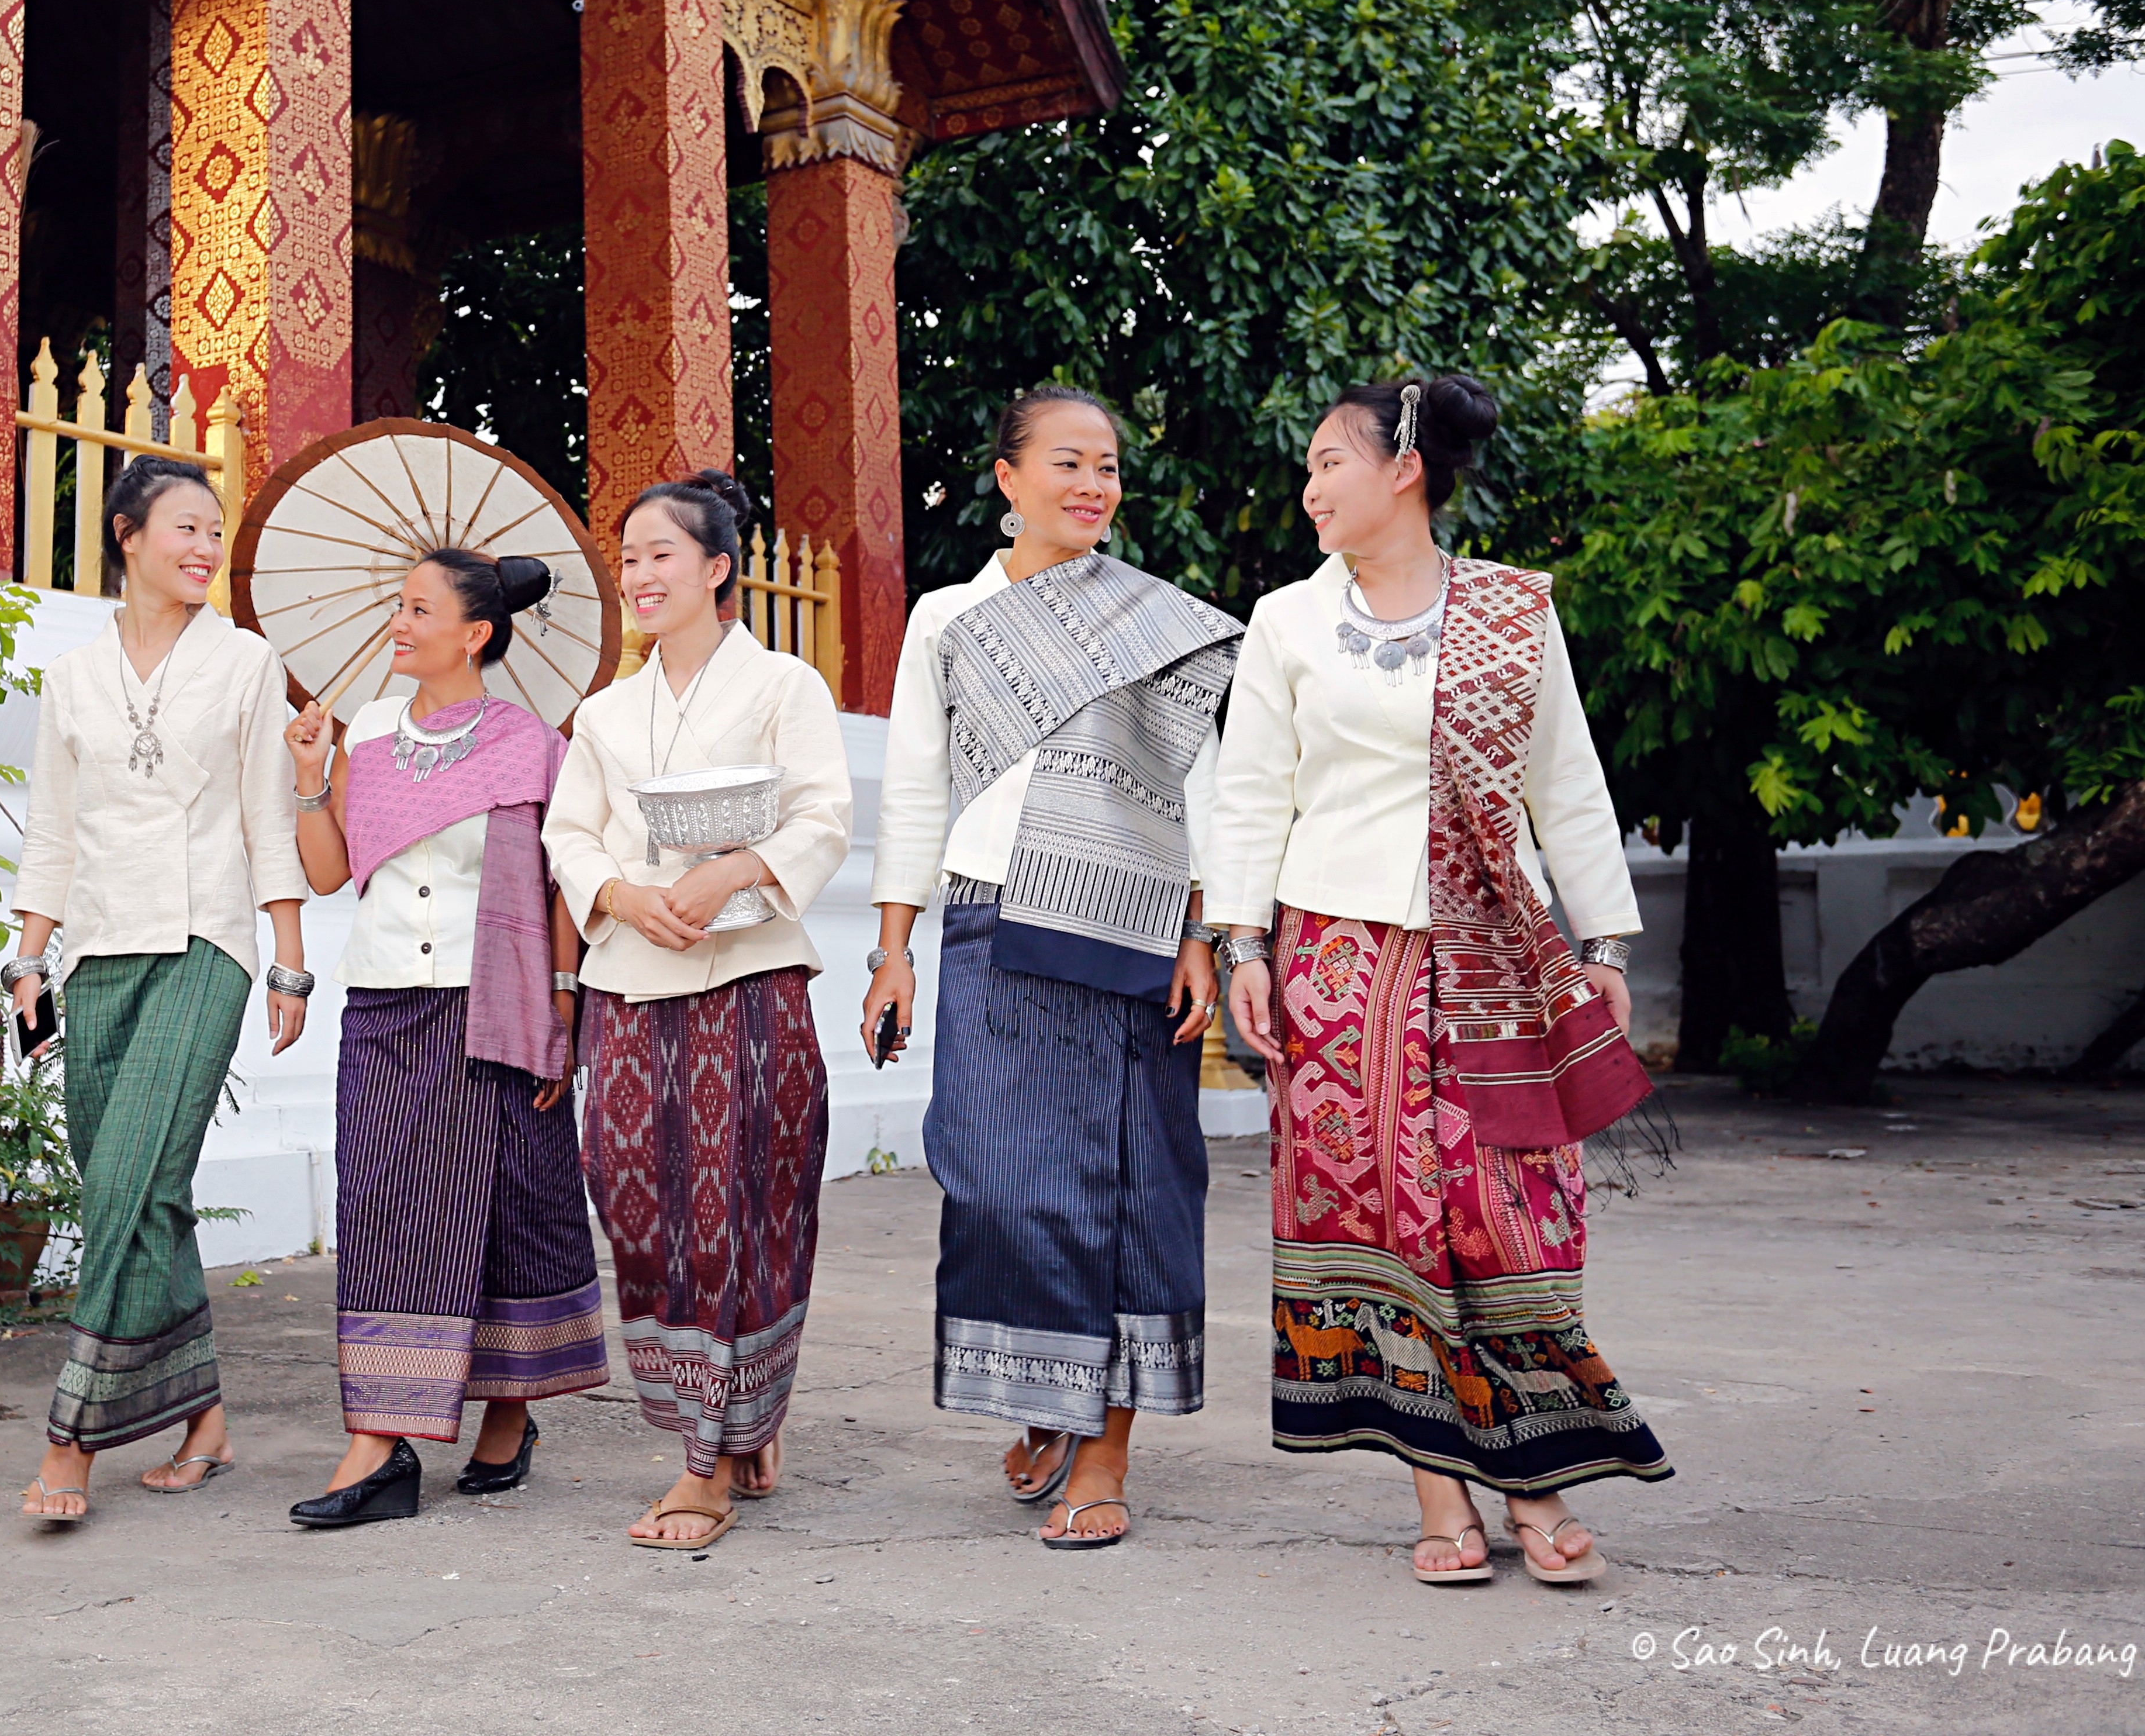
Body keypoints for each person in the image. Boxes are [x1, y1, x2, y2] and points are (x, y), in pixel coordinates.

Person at [1211, 374, 1670, 1588]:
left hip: (1496, 965)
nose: (1308, 488)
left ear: (1401, 469)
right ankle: (1440, 1494)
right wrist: (1241, 943)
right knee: (1380, 1223)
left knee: (1512, 1216)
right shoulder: (1287, 623)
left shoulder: (1517, 611)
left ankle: (1541, 1482)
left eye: (1326, 464)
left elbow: (1566, 784)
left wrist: (1605, 947)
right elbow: (1251, 792)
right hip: (1338, 965)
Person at [865, 387, 1243, 1549]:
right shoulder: (948, 618)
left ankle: (1108, 1443)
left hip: (1129, 932)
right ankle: (1047, 1392)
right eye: (1070, 464)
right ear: (1007, 478)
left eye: (1111, 468)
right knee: (993, 1181)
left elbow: (1206, 791)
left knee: (1128, 1186)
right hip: (986, 923)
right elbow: (915, 787)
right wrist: (891, 951)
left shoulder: (1157, 624)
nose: (1094, 486)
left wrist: (1204, 936)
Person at [543, 470, 854, 1551]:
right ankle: (731, 1415)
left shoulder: (784, 687)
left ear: (719, 568)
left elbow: (824, 815)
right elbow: (567, 833)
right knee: (631, 1200)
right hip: (632, 977)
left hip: (751, 976)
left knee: (740, 1208)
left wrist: (731, 876)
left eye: (661, 554)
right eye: (627, 558)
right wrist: (621, 895)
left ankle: (708, 1461)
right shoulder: (605, 712)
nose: (638, 575)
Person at [5, 455, 314, 1524]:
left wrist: (287, 955)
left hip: (205, 941)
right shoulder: (72, 676)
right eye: (184, 527)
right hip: (93, 953)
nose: (203, 547)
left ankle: (71, 1438)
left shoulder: (246, 666)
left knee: (128, 1180)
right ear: (127, 535)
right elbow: (54, 827)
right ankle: (206, 1420)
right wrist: (28, 956)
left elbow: (268, 818)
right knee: (142, 1196)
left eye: (213, 531)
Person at [277, 550, 608, 1529]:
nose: (400, 622)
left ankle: (507, 1411)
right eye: (399, 606)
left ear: (474, 634)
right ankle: (382, 1442)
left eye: (420, 610)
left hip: (490, 1000)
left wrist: (559, 1007)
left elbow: (557, 891)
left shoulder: (533, 744)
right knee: (389, 1209)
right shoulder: (369, 733)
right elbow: (333, 873)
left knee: (508, 1198)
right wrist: (309, 779)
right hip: (384, 1000)